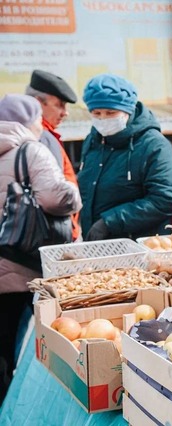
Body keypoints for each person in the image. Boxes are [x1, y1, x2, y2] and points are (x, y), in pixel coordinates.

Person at [0, 94, 82, 404]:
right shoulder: (30, 151)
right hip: (20, 265)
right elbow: (56, 198)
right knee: (19, 347)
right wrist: (74, 193)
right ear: (29, 120)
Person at [78, 74, 172, 241]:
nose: (103, 119)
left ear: (128, 111)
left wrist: (109, 222)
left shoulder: (153, 145)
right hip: (97, 244)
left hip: (140, 246)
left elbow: (165, 200)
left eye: (110, 112)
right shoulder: (93, 141)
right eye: (96, 113)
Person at [25, 69, 82, 240]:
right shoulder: (42, 138)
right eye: (59, 105)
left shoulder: (20, 133)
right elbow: (54, 194)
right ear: (37, 103)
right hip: (51, 234)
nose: (65, 112)